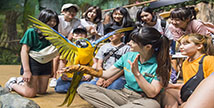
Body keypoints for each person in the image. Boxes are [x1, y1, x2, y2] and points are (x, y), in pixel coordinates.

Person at [61, 27, 171, 107]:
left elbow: (152, 93)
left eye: (133, 42)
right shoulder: (128, 56)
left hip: (144, 100)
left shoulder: (160, 64)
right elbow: (106, 74)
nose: (129, 43)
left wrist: (137, 74)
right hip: (123, 94)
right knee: (84, 88)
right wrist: (83, 69)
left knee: (152, 106)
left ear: (147, 47)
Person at [5, 9, 59, 97]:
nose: (52, 23)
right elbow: (24, 51)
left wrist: (52, 69)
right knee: (30, 93)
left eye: (54, 21)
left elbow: (52, 53)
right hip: (32, 61)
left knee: (41, 91)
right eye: (49, 20)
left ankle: (22, 82)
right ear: (42, 19)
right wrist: (26, 71)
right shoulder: (31, 32)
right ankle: (12, 84)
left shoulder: (54, 34)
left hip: (46, 62)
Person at [162, 33, 214, 108]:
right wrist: (173, 86)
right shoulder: (185, 62)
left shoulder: (208, 60)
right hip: (188, 94)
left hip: (203, 95)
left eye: (186, 44)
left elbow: (209, 87)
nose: (181, 47)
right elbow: (188, 83)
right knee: (166, 91)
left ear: (199, 46)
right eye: (180, 44)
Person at [87, 25, 130, 89]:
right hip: (104, 74)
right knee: (87, 87)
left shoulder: (127, 48)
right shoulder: (104, 47)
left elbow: (124, 68)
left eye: (114, 33)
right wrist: (101, 77)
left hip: (119, 77)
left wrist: (111, 80)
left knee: (112, 89)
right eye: (109, 33)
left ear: (122, 35)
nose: (111, 35)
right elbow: (99, 64)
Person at [49, 3, 82, 88]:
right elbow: (55, 31)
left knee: (63, 58)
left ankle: (61, 77)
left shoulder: (77, 21)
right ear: (63, 11)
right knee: (56, 57)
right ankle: (54, 78)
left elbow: (72, 34)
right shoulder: (58, 19)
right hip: (56, 40)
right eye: (69, 11)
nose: (72, 13)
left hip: (67, 42)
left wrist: (66, 44)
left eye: (74, 12)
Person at [54, 27, 91, 93]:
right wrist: (63, 73)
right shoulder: (68, 46)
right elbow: (63, 62)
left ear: (86, 36)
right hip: (69, 76)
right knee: (60, 89)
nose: (79, 34)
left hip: (84, 76)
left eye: (82, 33)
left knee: (85, 90)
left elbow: (94, 63)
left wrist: (90, 75)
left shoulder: (90, 47)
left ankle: (77, 87)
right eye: (76, 33)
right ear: (73, 36)